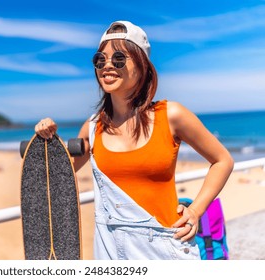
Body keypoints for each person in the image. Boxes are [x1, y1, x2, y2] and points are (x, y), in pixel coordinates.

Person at [35, 20, 234, 260]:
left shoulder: (171, 115)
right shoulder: (92, 127)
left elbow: (223, 160)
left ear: (142, 67)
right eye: (100, 60)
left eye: (118, 59)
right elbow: (57, 176)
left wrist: (196, 211)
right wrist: (47, 140)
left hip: (164, 247)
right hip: (109, 250)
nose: (107, 66)